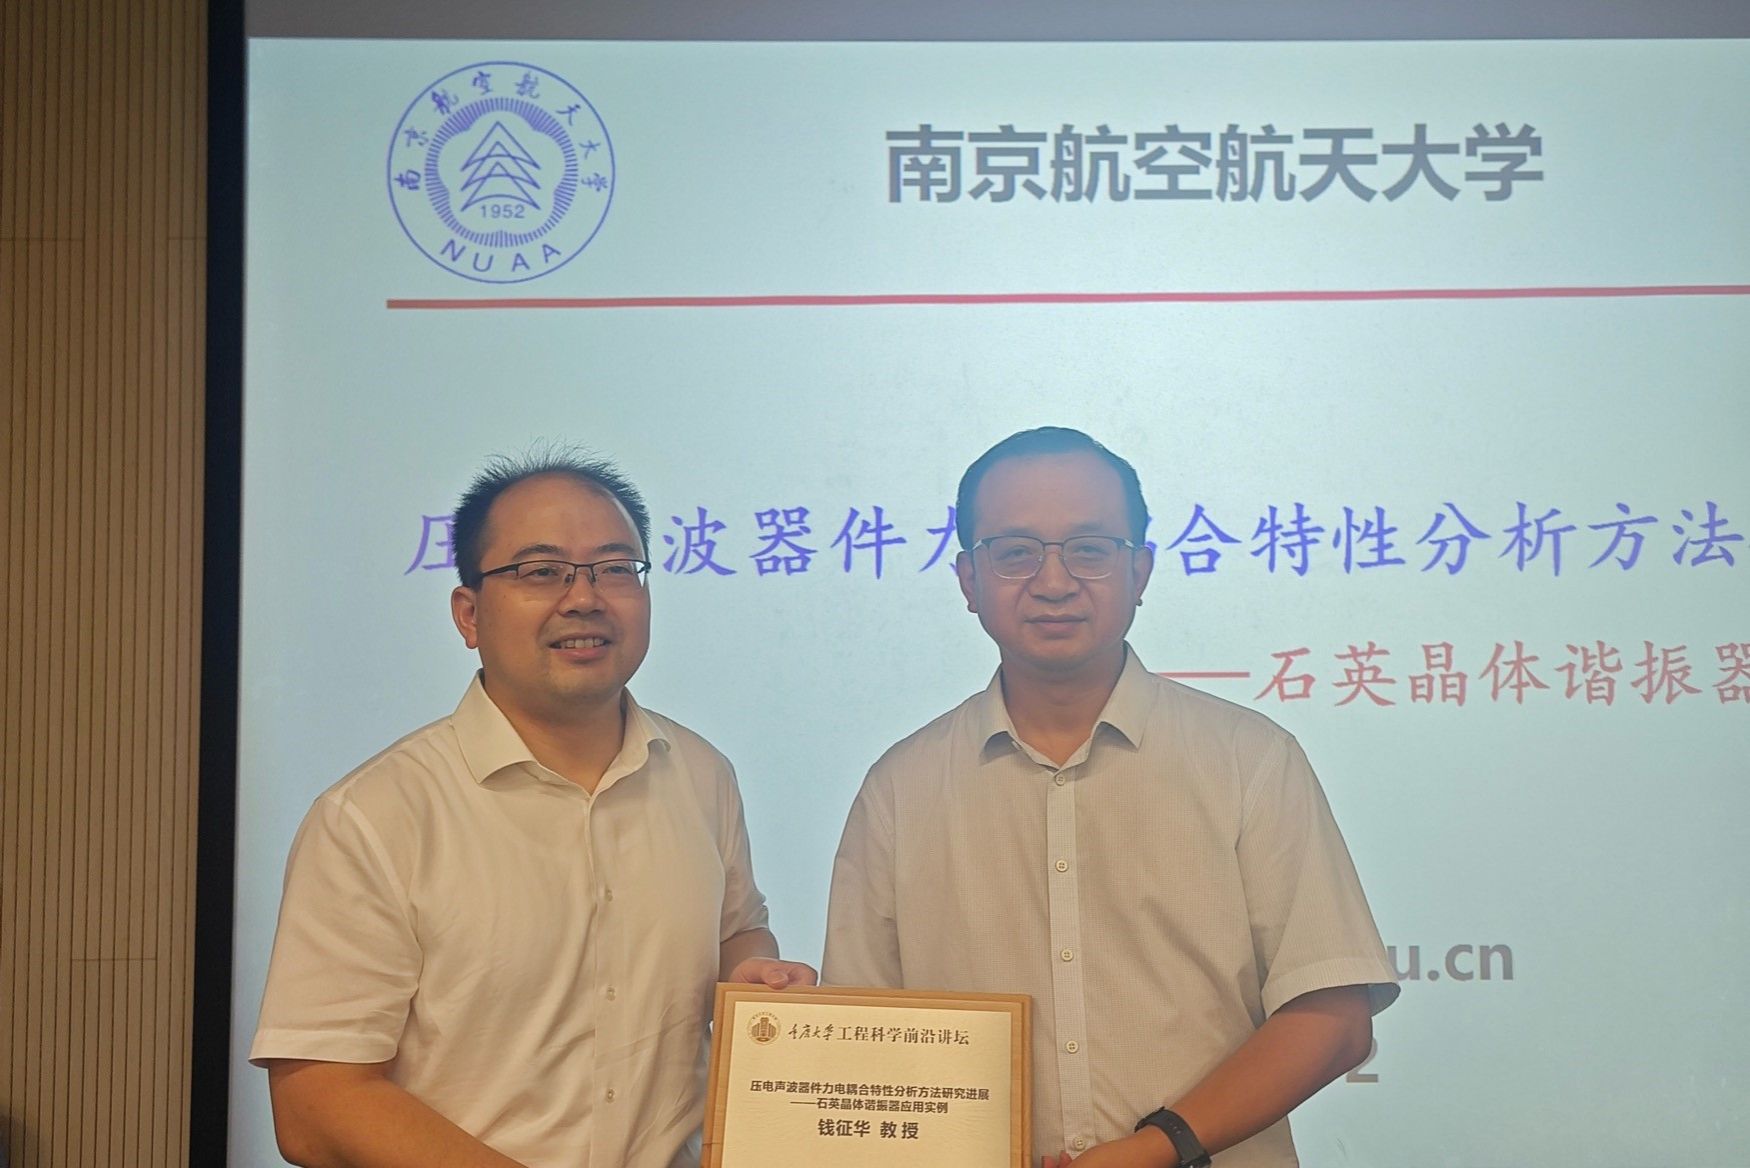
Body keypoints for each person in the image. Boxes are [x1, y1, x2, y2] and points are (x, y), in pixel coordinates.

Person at [823, 427, 1397, 1168]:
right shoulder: (900, 789)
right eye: (1015, 552)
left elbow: (1334, 1014)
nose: (1054, 582)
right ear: (968, 579)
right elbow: (861, 1042)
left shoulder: (1249, 759)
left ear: (1141, 571)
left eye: (1090, 549)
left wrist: (1162, 1146)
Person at [251, 449, 814, 1168]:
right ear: (469, 614)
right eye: (542, 571)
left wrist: (753, 977)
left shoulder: (701, 774)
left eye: (615, 568)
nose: (584, 598)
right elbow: (315, 1104)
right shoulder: (374, 815)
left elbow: (736, 933)